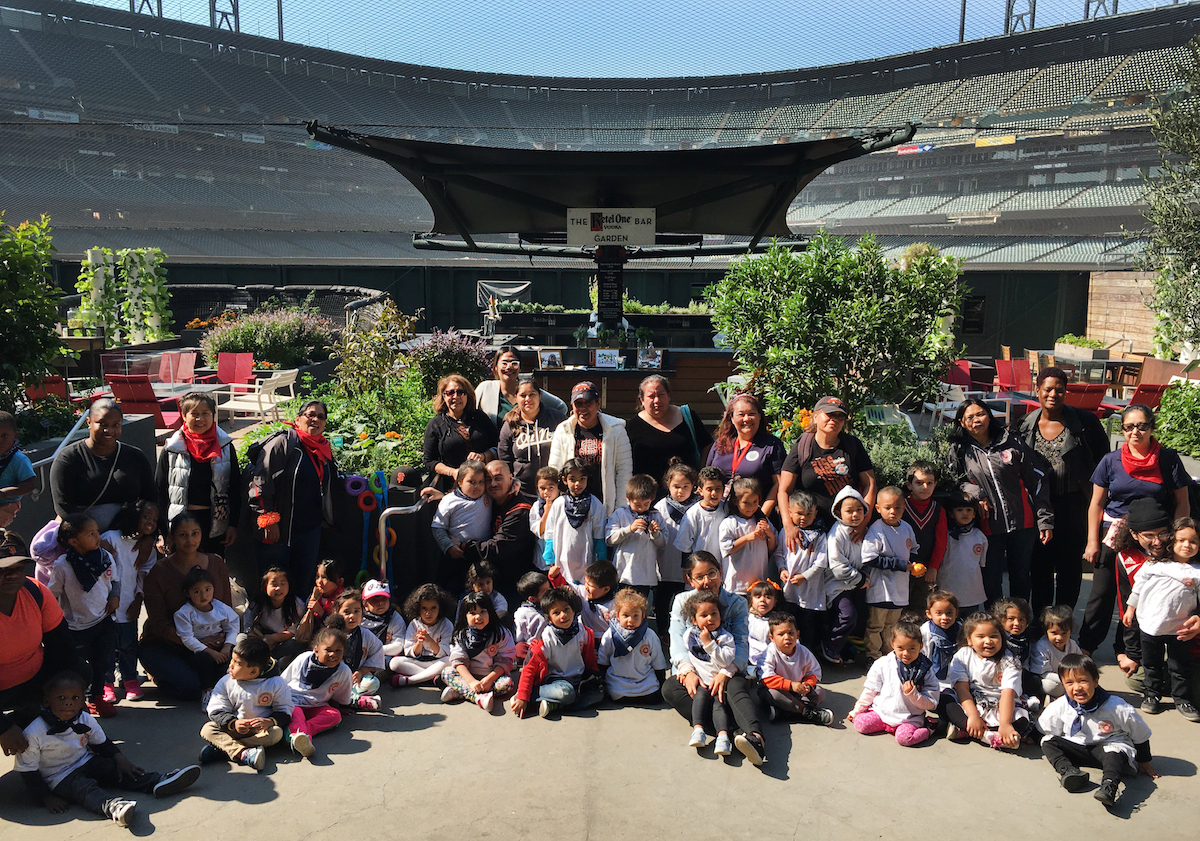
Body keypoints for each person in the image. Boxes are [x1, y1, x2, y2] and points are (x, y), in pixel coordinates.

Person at [15, 670, 199, 827]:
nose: (68, 703)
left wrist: (120, 759)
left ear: (82, 702)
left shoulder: (85, 719)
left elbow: (102, 744)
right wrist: (45, 798)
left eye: (75, 698)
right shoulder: (34, 732)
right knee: (85, 788)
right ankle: (113, 807)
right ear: (47, 701)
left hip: (84, 760)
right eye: (61, 698)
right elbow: (28, 771)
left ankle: (158, 781)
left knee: (114, 769)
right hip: (58, 777)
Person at [1082, 404, 1190, 656]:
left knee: (1140, 594)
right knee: (1102, 592)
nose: (1135, 432)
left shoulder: (1167, 458)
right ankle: (1087, 646)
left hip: (1154, 537)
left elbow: (1182, 501)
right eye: (1129, 427)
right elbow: (1096, 503)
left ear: (1151, 427)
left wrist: (1176, 539)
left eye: (1142, 426)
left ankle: (1127, 650)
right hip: (1115, 531)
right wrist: (1091, 541)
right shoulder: (1111, 460)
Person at [663, 551, 769, 767]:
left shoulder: (737, 603)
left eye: (711, 573)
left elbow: (741, 644)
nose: (706, 581)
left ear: (721, 573)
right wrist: (687, 671)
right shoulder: (681, 602)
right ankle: (732, 732)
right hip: (697, 671)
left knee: (735, 688)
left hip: (725, 668)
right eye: (699, 576)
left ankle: (755, 738)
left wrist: (726, 672)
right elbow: (677, 641)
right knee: (670, 689)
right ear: (689, 579)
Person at [1018, 368, 1110, 614]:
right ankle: (1041, 620)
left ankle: (1064, 621)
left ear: (1066, 392)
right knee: (1040, 566)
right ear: (1037, 390)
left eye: (1059, 390)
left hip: (1074, 505)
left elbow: (1103, 460)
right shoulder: (1026, 425)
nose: (1053, 394)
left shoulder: (1085, 423)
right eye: (1048, 389)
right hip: (1039, 507)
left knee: (1070, 567)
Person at [946, 397, 1053, 604]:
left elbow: (1037, 479)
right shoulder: (959, 450)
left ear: (989, 415)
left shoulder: (1011, 442)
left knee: (1021, 576)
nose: (976, 420)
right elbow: (953, 482)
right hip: (988, 526)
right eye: (970, 417)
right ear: (961, 422)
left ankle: (1018, 623)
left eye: (980, 414)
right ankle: (994, 626)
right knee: (991, 578)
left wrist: (1045, 519)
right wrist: (976, 493)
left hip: (1023, 522)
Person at [1038, 653, 1158, 808]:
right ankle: (1069, 771)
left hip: (1107, 750)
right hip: (1079, 748)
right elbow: (1045, 728)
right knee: (1047, 741)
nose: (1077, 688)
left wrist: (1144, 760)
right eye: (1069, 683)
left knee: (1114, 751)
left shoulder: (1116, 707)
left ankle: (1109, 786)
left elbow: (1139, 733)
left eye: (1083, 681)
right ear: (1063, 684)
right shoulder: (1060, 705)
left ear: (1095, 681)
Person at [138, 512, 233, 702]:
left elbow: (226, 609)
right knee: (192, 689)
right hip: (169, 644)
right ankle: (162, 675)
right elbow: (159, 623)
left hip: (213, 643)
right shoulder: (159, 572)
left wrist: (221, 640)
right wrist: (197, 643)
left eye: (195, 534)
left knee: (230, 681)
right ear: (172, 538)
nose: (190, 540)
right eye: (183, 535)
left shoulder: (216, 562)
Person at [0, 537, 80, 759]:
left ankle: (31, 716)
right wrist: (3, 728)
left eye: (17, 568)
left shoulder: (35, 592)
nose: (13, 575)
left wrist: (69, 698)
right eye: (3, 569)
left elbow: (62, 647)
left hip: (33, 678)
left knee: (79, 674)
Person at [249, 400, 337, 589]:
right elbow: (260, 481)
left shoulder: (323, 449)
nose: (315, 420)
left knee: (302, 585)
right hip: (279, 532)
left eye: (321, 417)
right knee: (272, 587)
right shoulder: (283, 443)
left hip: (309, 531)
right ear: (297, 419)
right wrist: (269, 519)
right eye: (310, 414)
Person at [1122, 516, 1200, 721]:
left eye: (1193, 541)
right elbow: (1137, 588)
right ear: (1171, 541)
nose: (1187, 545)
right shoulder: (1154, 564)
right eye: (1181, 540)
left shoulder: (1197, 572)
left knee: (1178, 666)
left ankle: (1182, 699)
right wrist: (1130, 609)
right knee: (1151, 664)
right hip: (1150, 626)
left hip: (1180, 629)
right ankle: (1152, 695)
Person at [778, 395, 876, 548]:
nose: (834, 419)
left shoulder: (852, 445)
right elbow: (784, 490)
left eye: (839, 416)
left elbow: (869, 484)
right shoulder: (803, 446)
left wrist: (864, 519)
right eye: (829, 414)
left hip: (847, 529)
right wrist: (788, 525)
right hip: (810, 529)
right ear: (816, 417)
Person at [49, 399, 156, 534]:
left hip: (130, 540)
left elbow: (152, 500)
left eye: (116, 425)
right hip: (83, 541)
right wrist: (93, 538)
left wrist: (149, 537)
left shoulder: (136, 457)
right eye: (102, 424)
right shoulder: (68, 458)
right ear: (89, 422)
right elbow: (63, 506)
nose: (109, 430)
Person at [49, 514, 120, 718]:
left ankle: (95, 697)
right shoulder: (62, 565)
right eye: (91, 534)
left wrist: (114, 596)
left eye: (97, 531)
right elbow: (52, 594)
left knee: (102, 662)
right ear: (73, 541)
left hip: (103, 621)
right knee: (77, 667)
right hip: (76, 627)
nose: (98, 537)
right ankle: (76, 700)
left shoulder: (104, 557)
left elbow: (115, 580)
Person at [156, 392, 240, 555]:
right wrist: (162, 530)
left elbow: (235, 488)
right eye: (194, 414)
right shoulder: (172, 449)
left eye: (205, 414)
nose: (200, 419)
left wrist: (232, 525)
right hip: (181, 523)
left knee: (211, 572)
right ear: (184, 416)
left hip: (215, 523)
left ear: (213, 416)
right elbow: (160, 490)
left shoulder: (226, 447)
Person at [199, 637, 294, 771]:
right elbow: (216, 709)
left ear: (253, 671)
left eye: (237, 663)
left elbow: (285, 709)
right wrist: (233, 723)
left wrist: (270, 721)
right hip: (233, 727)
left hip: (259, 731)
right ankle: (244, 753)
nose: (230, 665)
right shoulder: (226, 682)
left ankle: (225, 749)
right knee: (207, 729)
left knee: (276, 733)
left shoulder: (276, 683)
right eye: (232, 659)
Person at [99, 501, 158, 703]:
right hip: (105, 606)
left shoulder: (146, 547)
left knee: (128, 644)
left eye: (154, 520)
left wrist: (138, 601)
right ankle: (106, 683)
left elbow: (145, 575)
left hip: (129, 604)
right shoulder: (111, 539)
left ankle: (130, 679)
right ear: (135, 516)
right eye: (146, 517)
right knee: (106, 646)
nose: (150, 522)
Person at [945, 611, 1032, 750]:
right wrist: (973, 716)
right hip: (972, 704)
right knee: (945, 701)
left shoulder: (1009, 660)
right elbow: (962, 689)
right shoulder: (962, 655)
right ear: (969, 640)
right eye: (980, 636)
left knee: (1022, 720)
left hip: (1001, 707)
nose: (988, 641)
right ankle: (989, 737)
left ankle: (969, 732)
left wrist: (1005, 724)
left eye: (994, 636)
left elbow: (1008, 693)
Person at [511, 586, 601, 718]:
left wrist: (595, 677)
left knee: (598, 694)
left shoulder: (584, 633)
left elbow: (590, 660)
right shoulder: (545, 640)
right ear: (549, 618)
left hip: (578, 679)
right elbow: (528, 669)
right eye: (556, 613)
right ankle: (534, 695)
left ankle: (554, 705)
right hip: (556, 681)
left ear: (573, 610)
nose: (563, 615)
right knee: (566, 693)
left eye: (566, 610)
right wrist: (522, 696)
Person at [548, 381, 632, 515]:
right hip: (571, 510)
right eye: (578, 404)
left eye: (588, 403)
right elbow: (554, 470)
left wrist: (620, 510)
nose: (583, 408)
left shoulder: (616, 430)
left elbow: (624, 473)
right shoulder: (562, 430)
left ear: (598, 403)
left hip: (605, 509)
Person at [459, 460, 537, 604]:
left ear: (510, 478)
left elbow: (498, 548)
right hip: (491, 578)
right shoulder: (489, 500)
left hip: (514, 583)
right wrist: (444, 499)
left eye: (498, 478)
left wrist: (463, 546)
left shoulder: (520, 510)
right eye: (488, 479)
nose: (493, 483)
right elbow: (464, 500)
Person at [849, 621, 938, 746]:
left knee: (904, 739)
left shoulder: (925, 669)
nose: (906, 653)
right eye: (900, 648)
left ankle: (929, 728)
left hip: (909, 718)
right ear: (892, 645)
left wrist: (913, 694)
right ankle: (884, 724)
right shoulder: (883, 663)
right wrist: (857, 711)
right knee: (860, 724)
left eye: (912, 648)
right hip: (882, 713)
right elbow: (870, 690)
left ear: (921, 646)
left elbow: (932, 702)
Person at [860, 486, 917, 663]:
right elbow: (869, 558)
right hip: (880, 588)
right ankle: (873, 656)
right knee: (875, 625)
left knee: (892, 626)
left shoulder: (906, 528)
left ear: (904, 507)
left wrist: (915, 565)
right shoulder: (876, 530)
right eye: (888, 507)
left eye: (898, 507)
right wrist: (900, 565)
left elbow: (914, 548)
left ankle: (889, 655)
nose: (893, 511)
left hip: (899, 589)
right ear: (878, 508)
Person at [707, 393, 785, 521]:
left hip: (756, 518)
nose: (746, 419)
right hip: (719, 517)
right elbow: (707, 477)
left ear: (759, 416)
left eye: (751, 414)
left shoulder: (771, 445)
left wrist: (761, 515)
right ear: (731, 418)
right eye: (741, 414)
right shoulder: (720, 444)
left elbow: (779, 484)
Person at [281, 626, 353, 760]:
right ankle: (297, 735)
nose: (333, 654)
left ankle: (301, 735)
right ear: (316, 650)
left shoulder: (343, 671)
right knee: (296, 715)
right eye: (328, 650)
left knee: (334, 716)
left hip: (317, 705)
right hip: (294, 701)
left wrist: (340, 706)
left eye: (338, 651)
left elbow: (341, 696)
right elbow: (284, 681)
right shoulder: (303, 659)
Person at [625, 374, 711, 485]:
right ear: (642, 400)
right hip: (648, 497)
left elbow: (707, 446)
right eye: (651, 396)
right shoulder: (632, 427)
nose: (657, 400)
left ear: (669, 396)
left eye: (661, 395)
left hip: (687, 492)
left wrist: (701, 475)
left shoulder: (687, 416)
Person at [681, 590, 736, 756]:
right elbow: (686, 654)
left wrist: (709, 644)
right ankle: (698, 730)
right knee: (700, 698)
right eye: (704, 615)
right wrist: (687, 671)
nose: (710, 618)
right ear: (694, 620)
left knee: (719, 706)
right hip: (701, 682)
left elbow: (726, 660)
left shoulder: (725, 637)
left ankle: (723, 737)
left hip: (718, 683)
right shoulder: (689, 635)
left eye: (714, 613)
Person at [772, 490, 828, 655]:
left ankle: (807, 657)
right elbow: (779, 554)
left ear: (815, 513)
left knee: (808, 625)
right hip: (790, 589)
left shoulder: (819, 535)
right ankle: (788, 655)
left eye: (808, 514)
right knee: (789, 623)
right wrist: (782, 569)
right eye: (799, 514)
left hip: (810, 591)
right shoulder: (786, 532)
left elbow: (821, 562)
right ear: (789, 513)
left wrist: (805, 576)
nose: (803, 518)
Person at [440, 591, 515, 712]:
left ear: (490, 612)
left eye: (483, 612)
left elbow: (506, 659)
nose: (478, 617)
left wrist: (489, 679)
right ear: (465, 615)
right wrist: (471, 682)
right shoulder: (461, 635)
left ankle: (460, 691)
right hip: (468, 676)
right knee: (446, 672)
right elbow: (458, 660)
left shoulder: (500, 633)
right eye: (472, 613)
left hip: (492, 677)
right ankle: (478, 697)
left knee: (507, 684)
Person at [424, 374, 499, 494]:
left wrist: (483, 456)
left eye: (460, 392)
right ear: (443, 396)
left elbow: (498, 445)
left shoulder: (480, 418)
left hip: (484, 486)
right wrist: (453, 472)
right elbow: (429, 461)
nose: (456, 396)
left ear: (467, 396)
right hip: (452, 489)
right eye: (450, 393)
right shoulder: (435, 424)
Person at [758, 611, 834, 725]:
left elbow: (814, 672)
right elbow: (766, 678)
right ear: (772, 638)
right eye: (781, 634)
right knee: (772, 694)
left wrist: (807, 684)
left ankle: (786, 713)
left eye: (791, 633)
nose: (787, 637)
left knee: (819, 693)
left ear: (797, 635)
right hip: (779, 691)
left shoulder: (803, 651)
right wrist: (790, 685)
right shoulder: (769, 653)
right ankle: (808, 713)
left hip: (798, 692)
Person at [173, 567, 239, 695]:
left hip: (221, 648)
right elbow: (187, 638)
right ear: (188, 593)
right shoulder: (184, 613)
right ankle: (207, 691)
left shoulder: (220, 608)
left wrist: (226, 647)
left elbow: (232, 626)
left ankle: (228, 689)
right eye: (197, 591)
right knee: (205, 660)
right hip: (198, 652)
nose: (203, 595)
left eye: (207, 590)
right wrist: (211, 652)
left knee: (235, 654)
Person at [542, 458, 607, 585]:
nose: (577, 483)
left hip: (586, 561)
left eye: (582, 479)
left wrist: (601, 560)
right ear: (564, 480)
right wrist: (549, 557)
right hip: (562, 561)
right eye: (572, 479)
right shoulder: (559, 504)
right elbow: (550, 532)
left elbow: (599, 534)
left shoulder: (595, 504)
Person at [497, 373, 565, 491]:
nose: (528, 399)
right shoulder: (510, 424)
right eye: (523, 395)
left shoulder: (557, 418)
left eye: (532, 394)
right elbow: (505, 459)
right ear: (516, 397)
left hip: (554, 489)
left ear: (539, 396)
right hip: (522, 491)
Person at [824, 486, 869, 665]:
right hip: (838, 585)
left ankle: (845, 648)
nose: (855, 515)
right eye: (849, 511)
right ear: (838, 512)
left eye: (859, 510)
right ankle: (830, 645)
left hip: (857, 584)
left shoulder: (863, 531)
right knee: (847, 615)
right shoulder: (836, 535)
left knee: (859, 619)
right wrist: (861, 579)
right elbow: (838, 567)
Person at [653, 459, 699, 634]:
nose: (680, 491)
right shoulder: (660, 507)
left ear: (693, 486)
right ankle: (663, 631)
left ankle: (686, 632)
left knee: (688, 601)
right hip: (666, 564)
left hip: (689, 567)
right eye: (676, 486)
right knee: (663, 601)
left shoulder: (698, 506)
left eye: (685, 486)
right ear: (668, 485)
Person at [431, 459, 492, 589]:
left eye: (481, 482)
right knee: (452, 588)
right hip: (456, 555)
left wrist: (515, 483)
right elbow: (437, 527)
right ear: (460, 482)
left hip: (480, 554)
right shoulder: (449, 501)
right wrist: (448, 546)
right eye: (471, 482)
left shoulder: (487, 495)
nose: (477, 486)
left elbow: (504, 482)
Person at [598, 588, 666, 703]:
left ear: (643, 615)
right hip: (618, 681)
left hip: (644, 681)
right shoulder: (610, 634)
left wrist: (662, 684)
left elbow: (658, 661)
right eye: (626, 615)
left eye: (635, 616)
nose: (630, 620)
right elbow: (603, 660)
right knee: (614, 694)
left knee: (654, 694)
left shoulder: (649, 635)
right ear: (617, 615)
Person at [475, 346, 566, 432]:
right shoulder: (485, 389)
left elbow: (561, 407)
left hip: (522, 446)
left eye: (514, 363)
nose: (509, 367)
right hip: (492, 448)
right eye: (504, 363)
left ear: (520, 368)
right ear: (495, 367)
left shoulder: (530, 391)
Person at [606, 474, 666, 598]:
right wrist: (629, 529)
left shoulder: (656, 516)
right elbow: (610, 539)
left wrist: (655, 534)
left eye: (646, 504)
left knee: (641, 612)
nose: (641, 508)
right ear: (628, 498)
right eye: (637, 504)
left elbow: (663, 543)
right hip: (624, 574)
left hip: (646, 575)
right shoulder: (620, 513)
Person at [387, 583, 455, 687]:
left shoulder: (446, 624)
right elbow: (409, 651)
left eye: (433, 608)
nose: (428, 613)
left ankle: (411, 680)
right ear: (418, 608)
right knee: (394, 663)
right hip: (419, 662)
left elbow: (446, 652)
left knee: (451, 661)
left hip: (438, 662)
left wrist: (430, 641)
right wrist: (419, 642)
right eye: (424, 608)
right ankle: (431, 678)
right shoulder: (414, 623)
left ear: (440, 608)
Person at [718, 477, 776, 596]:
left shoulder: (762, 521)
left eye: (755, 502)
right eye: (746, 503)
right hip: (737, 586)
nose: (751, 507)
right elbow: (726, 549)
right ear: (735, 501)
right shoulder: (730, 523)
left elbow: (772, 548)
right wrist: (747, 538)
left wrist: (769, 533)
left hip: (759, 584)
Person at [326, 590, 383, 711]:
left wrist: (361, 672)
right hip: (334, 678)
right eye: (346, 612)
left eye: (356, 611)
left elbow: (377, 654)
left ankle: (348, 700)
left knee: (372, 683)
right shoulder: (330, 635)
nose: (352, 616)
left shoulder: (365, 634)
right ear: (337, 613)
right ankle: (356, 701)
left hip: (355, 679)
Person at [902, 461, 947, 613]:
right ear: (909, 485)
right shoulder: (900, 506)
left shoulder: (938, 509)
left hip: (926, 569)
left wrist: (934, 567)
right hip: (903, 568)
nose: (925, 487)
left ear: (935, 485)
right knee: (901, 608)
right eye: (919, 483)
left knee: (922, 607)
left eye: (929, 483)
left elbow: (941, 541)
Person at [938, 487, 987, 615]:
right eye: (960, 510)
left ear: (974, 513)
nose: (964, 513)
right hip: (948, 587)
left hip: (971, 590)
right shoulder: (945, 536)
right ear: (951, 513)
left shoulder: (979, 536)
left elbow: (982, 563)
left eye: (968, 510)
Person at [245, 566, 307, 667]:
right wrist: (256, 636)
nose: (278, 588)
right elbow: (247, 621)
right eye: (274, 584)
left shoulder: (296, 605)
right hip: (260, 636)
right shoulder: (258, 603)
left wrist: (272, 638)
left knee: (294, 644)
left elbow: (294, 631)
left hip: (282, 639)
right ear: (265, 586)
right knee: (241, 638)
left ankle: (270, 661)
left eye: (283, 584)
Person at [672, 466, 725, 565]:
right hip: (701, 566)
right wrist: (687, 570)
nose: (714, 493)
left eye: (718, 489)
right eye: (709, 489)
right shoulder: (693, 514)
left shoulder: (726, 509)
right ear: (700, 490)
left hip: (724, 567)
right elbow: (685, 545)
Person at [1032, 604, 1082, 700]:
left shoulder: (1072, 645)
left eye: (1064, 633)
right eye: (1054, 633)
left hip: (1069, 679)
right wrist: (1066, 679)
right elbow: (1044, 673)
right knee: (1051, 686)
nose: (1059, 637)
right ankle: (1050, 697)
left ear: (1071, 631)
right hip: (1050, 679)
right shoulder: (1041, 647)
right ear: (1046, 631)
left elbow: (1080, 663)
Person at [921, 590, 961, 692]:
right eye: (939, 613)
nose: (944, 617)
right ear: (929, 614)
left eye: (949, 613)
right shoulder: (925, 631)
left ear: (956, 613)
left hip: (959, 678)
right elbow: (923, 657)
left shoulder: (961, 629)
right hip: (934, 680)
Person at [512, 572, 550, 662]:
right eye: (545, 592)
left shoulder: (553, 604)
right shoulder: (522, 613)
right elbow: (519, 637)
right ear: (532, 599)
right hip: (533, 647)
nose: (550, 592)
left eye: (550, 588)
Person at [0, 411, 35, 507]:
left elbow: (29, 484)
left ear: (15, 436)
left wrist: (3, 493)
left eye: (4, 436)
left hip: (8, 504)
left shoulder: (18, 459)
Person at [530, 466, 560, 571]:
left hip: (561, 560)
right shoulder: (536, 507)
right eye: (542, 488)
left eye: (551, 487)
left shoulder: (564, 504)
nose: (546, 492)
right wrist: (547, 512)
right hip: (542, 562)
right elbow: (540, 532)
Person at [361, 579, 405, 649]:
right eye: (374, 600)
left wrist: (375, 651)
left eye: (384, 598)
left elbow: (399, 645)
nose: (380, 603)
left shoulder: (395, 617)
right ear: (365, 605)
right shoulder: (359, 618)